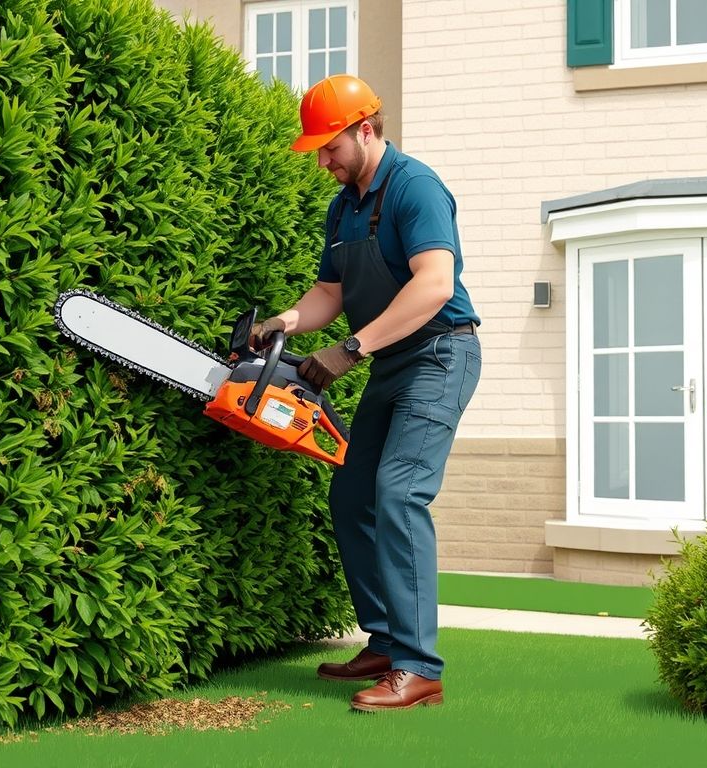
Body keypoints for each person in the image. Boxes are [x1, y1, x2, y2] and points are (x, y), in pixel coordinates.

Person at [250, 74, 481, 712]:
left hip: (440, 353)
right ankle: (385, 640)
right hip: (391, 361)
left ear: (366, 130)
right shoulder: (344, 204)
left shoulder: (415, 188)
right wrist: (282, 324)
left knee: (399, 492)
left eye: (331, 147)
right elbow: (332, 294)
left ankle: (418, 668)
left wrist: (350, 349)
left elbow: (434, 284)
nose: (323, 161)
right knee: (352, 492)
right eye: (318, 150)